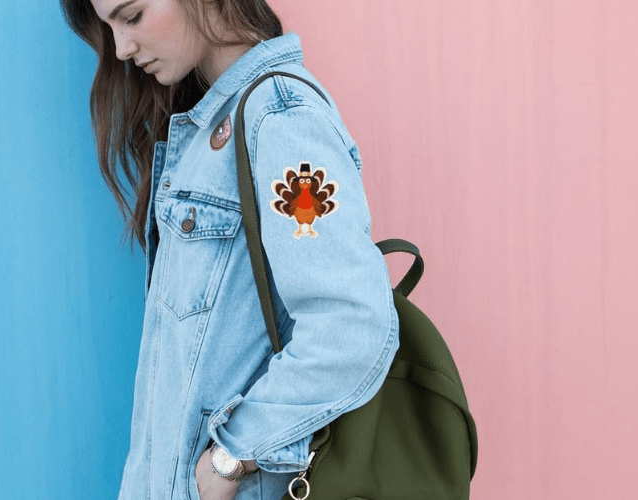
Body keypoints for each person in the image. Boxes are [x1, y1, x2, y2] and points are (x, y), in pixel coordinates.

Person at [60, 1, 400, 499]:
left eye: (131, 17)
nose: (121, 48)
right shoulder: (211, 126)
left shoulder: (279, 117)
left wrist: (230, 457)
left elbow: (350, 323)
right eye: (108, 27)